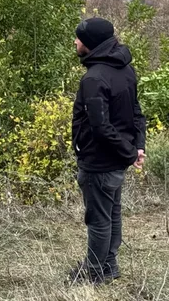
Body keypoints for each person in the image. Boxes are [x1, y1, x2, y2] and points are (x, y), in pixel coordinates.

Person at [69, 17, 146, 284]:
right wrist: (137, 147)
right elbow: (137, 113)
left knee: (99, 220)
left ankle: (93, 273)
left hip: (99, 162)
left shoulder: (94, 78)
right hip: (116, 160)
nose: (75, 42)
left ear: (90, 44)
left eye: (79, 38)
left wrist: (129, 152)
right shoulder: (125, 69)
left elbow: (100, 127)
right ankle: (108, 267)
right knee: (112, 213)